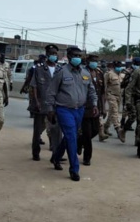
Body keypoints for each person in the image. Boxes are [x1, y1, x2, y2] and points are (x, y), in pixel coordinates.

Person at [45, 46, 98, 181]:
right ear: (68, 57)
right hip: (64, 109)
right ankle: (74, 169)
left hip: (79, 110)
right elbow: (51, 92)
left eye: (79, 56)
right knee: (71, 136)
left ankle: (56, 157)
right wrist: (50, 109)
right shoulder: (61, 72)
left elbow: (91, 90)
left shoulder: (85, 73)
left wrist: (95, 104)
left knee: (70, 136)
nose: (77, 58)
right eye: (75, 55)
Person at [29, 45, 63, 162]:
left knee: (56, 131)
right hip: (41, 103)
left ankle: (56, 154)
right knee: (37, 130)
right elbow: (33, 86)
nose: (54, 55)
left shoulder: (60, 69)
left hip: (55, 105)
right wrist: (36, 102)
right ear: (47, 54)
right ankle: (35, 152)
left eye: (55, 53)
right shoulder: (39, 69)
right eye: (51, 53)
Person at [78, 54, 106, 166]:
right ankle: (87, 157)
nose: (95, 62)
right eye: (92, 61)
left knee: (95, 130)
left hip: (96, 107)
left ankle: (79, 142)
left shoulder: (99, 73)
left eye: (96, 61)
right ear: (87, 61)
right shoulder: (82, 72)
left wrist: (103, 107)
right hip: (84, 107)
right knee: (87, 132)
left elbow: (103, 92)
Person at [120, 57, 140, 135]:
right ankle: (122, 122)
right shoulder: (128, 71)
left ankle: (126, 124)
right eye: (137, 64)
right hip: (128, 93)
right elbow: (122, 84)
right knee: (126, 108)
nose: (138, 65)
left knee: (134, 113)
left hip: (137, 94)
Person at [103, 60, 125, 140]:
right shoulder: (109, 74)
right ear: (114, 66)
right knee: (115, 112)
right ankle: (118, 129)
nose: (119, 67)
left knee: (112, 112)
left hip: (119, 96)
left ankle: (105, 127)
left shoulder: (122, 75)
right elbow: (104, 86)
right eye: (117, 66)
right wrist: (104, 98)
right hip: (111, 95)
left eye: (120, 66)